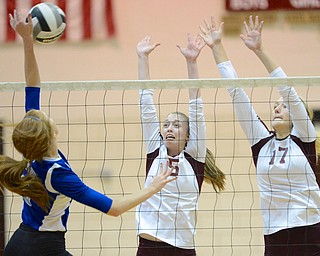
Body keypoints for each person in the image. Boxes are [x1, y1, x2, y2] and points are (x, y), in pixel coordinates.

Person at [0, 10, 177, 256]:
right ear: (52, 132)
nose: (38, 111)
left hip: (22, 242)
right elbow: (114, 208)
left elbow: (31, 83)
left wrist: (28, 41)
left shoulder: (34, 147)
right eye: (40, 114)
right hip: (42, 248)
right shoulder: (57, 175)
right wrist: (154, 187)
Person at [199, 15, 320, 255]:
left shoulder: (304, 137)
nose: (277, 107)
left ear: (298, 116)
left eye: (283, 106)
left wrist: (259, 50)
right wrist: (217, 47)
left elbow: (288, 90)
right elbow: (236, 93)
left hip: (310, 231)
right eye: (275, 105)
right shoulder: (261, 143)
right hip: (273, 235)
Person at [135, 34, 225, 256]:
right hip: (148, 247)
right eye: (165, 125)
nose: (168, 128)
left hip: (181, 248)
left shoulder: (194, 157)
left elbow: (197, 108)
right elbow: (146, 104)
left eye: (176, 125)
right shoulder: (155, 149)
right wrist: (142, 58)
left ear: (188, 135)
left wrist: (192, 62)